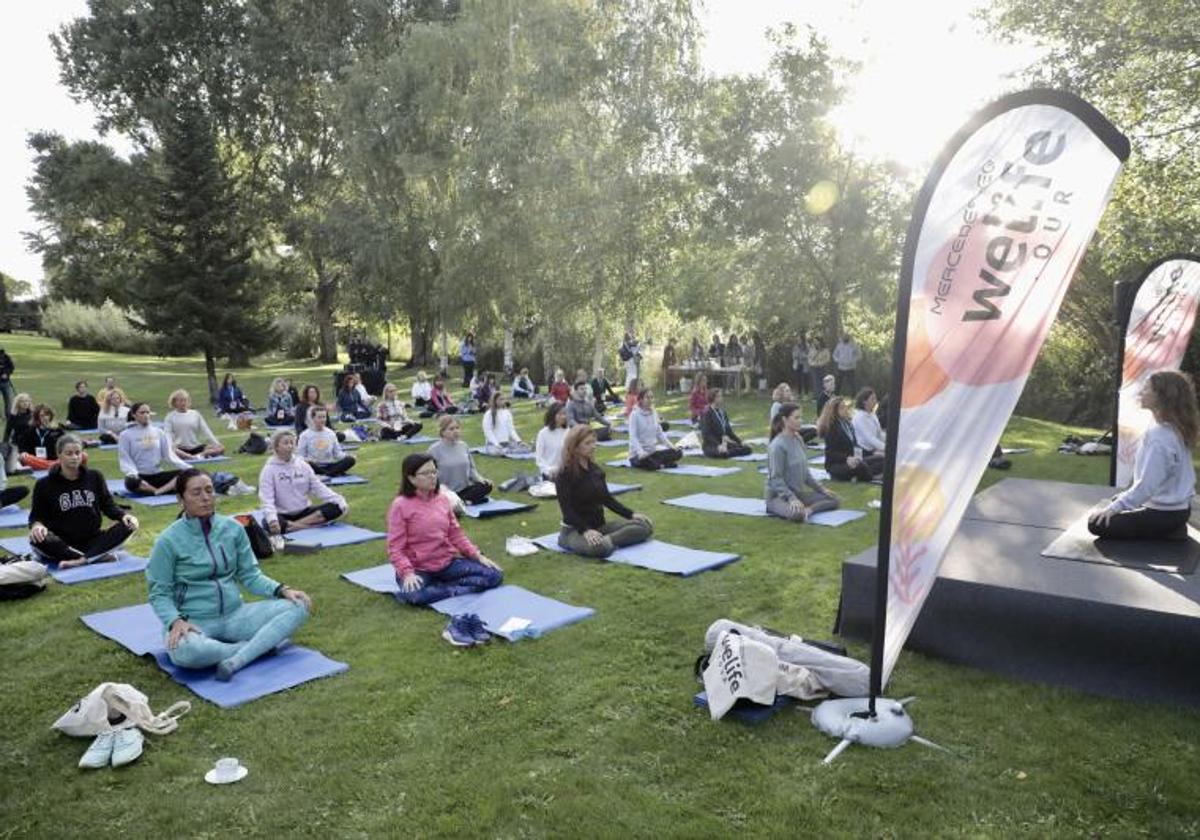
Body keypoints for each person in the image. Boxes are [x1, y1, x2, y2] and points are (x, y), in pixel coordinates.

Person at [147, 469, 312, 681]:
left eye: (209, 490)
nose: (205, 497)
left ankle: (236, 659)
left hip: (236, 615)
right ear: (181, 499)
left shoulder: (233, 529)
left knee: (299, 605)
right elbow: (159, 592)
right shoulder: (168, 541)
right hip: (193, 621)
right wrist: (174, 621)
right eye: (196, 493)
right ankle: (254, 648)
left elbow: (250, 575)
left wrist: (281, 590)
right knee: (189, 653)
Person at [1088, 370, 1197, 540]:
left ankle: (1168, 532)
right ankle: (1171, 528)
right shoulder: (1175, 428)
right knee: (1117, 499)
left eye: (1146, 389)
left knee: (1096, 523)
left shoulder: (1160, 436)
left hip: (1164, 515)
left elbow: (1147, 486)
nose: (1141, 393)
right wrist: (1122, 501)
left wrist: (1115, 508)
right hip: (1181, 510)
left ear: (1161, 396)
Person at [388, 453, 503, 614]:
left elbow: (456, 534)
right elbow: (395, 548)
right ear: (411, 478)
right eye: (425, 473)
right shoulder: (400, 506)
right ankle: (451, 588)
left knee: (494, 575)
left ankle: (441, 588)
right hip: (417, 568)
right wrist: (407, 574)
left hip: (446, 563)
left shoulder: (442, 500)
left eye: (434, 472)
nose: (432, 477)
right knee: (416, 596)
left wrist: (477, 556)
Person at [28, 434, 137, 568]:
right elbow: (36, 516)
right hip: (62, 542)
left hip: (93, 539)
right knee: (36, 539)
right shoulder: (44, 484)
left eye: (77, 453)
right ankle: (96, 556)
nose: (74, 457)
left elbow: (108, 505)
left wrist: (124, 515)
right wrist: (37, 526)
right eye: (69, 453)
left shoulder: (95, 477)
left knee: (130, 524)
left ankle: (81, 560)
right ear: (59, 455)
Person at [555, 425, 653, 557]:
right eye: (588, 443)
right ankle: (602, 543)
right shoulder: (564, 474)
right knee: (600, 548)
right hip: (574, 531)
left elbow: (607, 499)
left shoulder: (595, 470)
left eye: (594, 442)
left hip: (600, 527)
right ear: (575, 447)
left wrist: (631, 514)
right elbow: (567, 512)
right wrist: (586, 531)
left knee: (644, 526)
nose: (594, 446)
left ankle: (608, 540)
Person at [258, 429, 347, 549]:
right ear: (276, 446)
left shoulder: (303, 465)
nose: (290, 446)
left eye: (292, 443)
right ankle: (308, 526)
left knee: (336, 507)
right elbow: (266, 499)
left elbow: (319, 487)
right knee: (269, 523)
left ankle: (295, 527)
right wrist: (272, 519)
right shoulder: (268, 470)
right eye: (285, 443)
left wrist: (339, 500)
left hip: (305, 512)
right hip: (283, 515)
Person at [765, 403, 839, 522]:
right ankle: (787, 509)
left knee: (834, 500)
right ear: (785, 420)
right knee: (797, 515)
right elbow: (775, 478)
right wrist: (791, 498)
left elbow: (805, 473)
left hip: (797, 494)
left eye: (801, 417)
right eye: (797, 418)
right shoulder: (777, 446)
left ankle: (809, 511)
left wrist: (821, 490)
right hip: (778, 497)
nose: (801, 421)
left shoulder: (798, 440)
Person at [118, 402, 190, 495]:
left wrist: (187, 467)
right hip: (141, 478)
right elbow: (125, 459)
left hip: (158, 475)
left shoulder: (159, 432)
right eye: (142, 413)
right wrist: (133, 474)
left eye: (148, 412)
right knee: (131, 482)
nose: (146, 415)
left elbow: (169, 455)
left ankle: (158, 491)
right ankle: (164, 489)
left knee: (186, 475)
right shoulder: (125, 435)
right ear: (133, 415)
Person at [427, 415, 492, 504]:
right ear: (442, 432)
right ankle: (466, 501)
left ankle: (462, 501)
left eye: (457, 428)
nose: (456, 431)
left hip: (465, 489)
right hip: (446, 491)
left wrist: (481, 479)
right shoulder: (434, 450)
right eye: (451, 429)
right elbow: (429, 474)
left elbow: (472, 469)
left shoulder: (463, 446)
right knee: (444, 497)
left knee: (487, 485)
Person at [816, 397, 883, 482]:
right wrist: (847, 458)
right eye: (842, 408)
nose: (845, 409)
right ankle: (870, 477)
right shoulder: (832, 428)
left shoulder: (848, 424)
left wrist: (872, 453)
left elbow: (855, 446)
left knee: (881, 459)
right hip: (837, 464)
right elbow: (830, 453)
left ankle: (861, 475)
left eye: (845, 407)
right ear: (834, 411)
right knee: (861, 466)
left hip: (854, 459)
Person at [628, 388, 682, 471]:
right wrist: (641, 452)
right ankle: (662, 465)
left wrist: (672, 446)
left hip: (652, 453)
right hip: (638, 455)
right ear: (641, 400)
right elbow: (633, 437)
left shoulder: (654, 412)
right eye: (647, 398)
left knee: (678, 453)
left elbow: (660, 434)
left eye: (651, 397)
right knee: (648, 461)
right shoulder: (634, 415)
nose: (650, 400)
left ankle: (659, 464)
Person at [163, 390, 225, 460]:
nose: (183, 403)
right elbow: (167, 434)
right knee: (171, 450)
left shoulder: (195, 414)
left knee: (221, 448)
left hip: (196, 447)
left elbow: (206, 431)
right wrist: (170, 446)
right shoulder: (170, 416)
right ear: (175, 402)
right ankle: (190, 457)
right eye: (180, 401)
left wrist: (217, 443)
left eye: (185, 400)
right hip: (180, 449)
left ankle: (200, 455)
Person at [297, 406, 356, 477]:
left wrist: (348, 456)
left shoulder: (331, 433)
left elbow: (337, 454)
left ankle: (326, 474)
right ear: (313, 418)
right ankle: (331, 473)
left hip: (329, 465)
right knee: (304, 464)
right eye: (319, 417)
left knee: (351, 460)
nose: (322, 420)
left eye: (324, 417)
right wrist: (306, 461)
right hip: (314, 466)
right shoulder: (304, 435)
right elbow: (300, 456)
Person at [699, 389, 751, 458]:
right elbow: (706, 434)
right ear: (714, 398)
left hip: (724, 443)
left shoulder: (722, 412)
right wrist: (718, 445)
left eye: (721, 396)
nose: (721, 398)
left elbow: (729, 432)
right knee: (722, 454)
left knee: (747, 449)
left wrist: (740, 442)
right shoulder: (707, 413)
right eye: (719, 396)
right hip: (712, 445)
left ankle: (728, 452)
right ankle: (726, 452)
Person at [14, 404, 68, 470]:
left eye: (47, 415)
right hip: (35, 459)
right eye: (42, 416)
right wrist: (23, 452)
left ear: (50, 416)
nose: (45, 418)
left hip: (54, 459)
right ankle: (52, 466)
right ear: (37, 417)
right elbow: (22, 444)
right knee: (24, 458)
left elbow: (67, 443)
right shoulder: (30, 430)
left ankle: (50, 466)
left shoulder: (58, 430)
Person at [535, 402, 569, 479]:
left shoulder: (568, 431)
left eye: (564, 414)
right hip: (549, 472)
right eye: (560, 414)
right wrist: (549, 470)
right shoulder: (543, 433)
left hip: (565, 471)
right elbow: (539, 458)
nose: (563, 417)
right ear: (552, 415)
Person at [851, 387, 886, 456]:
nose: (876, 401)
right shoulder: (859, 417)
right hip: (864, 452)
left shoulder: (872, 415)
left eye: (875, 398)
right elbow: (870, 438)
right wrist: (886, 448)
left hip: (873, 449)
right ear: (864, 401)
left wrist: (891, 440)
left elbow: (879, 434)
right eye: (872, 399)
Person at [0, 345, 13, 432]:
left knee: (8, 400)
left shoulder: (6, 357)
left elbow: (11, 367)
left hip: (5, 382)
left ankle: (9, 417)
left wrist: (6, 373)